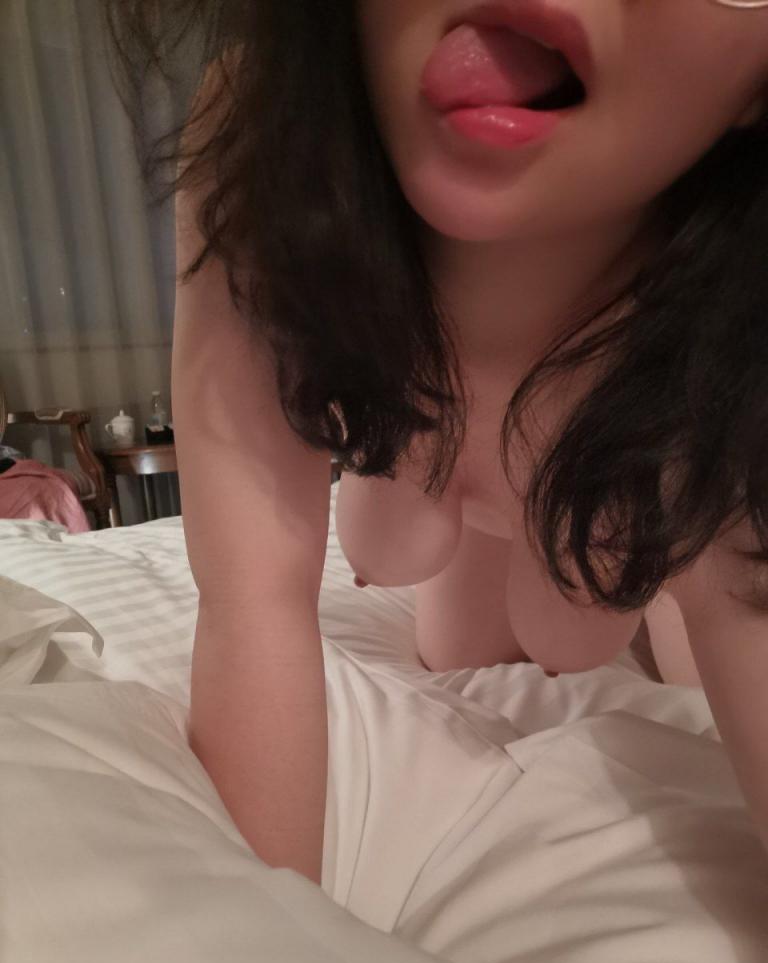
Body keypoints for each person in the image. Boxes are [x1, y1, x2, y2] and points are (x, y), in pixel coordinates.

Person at [104, 0, 768, 886]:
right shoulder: (267, 137)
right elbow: (250, 596)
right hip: (423, 464)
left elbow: (750, 612)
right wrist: (267, 938)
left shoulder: (730, 310)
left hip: (615, 467)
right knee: (418, 583)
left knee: (614, 629)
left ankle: (652, 581)